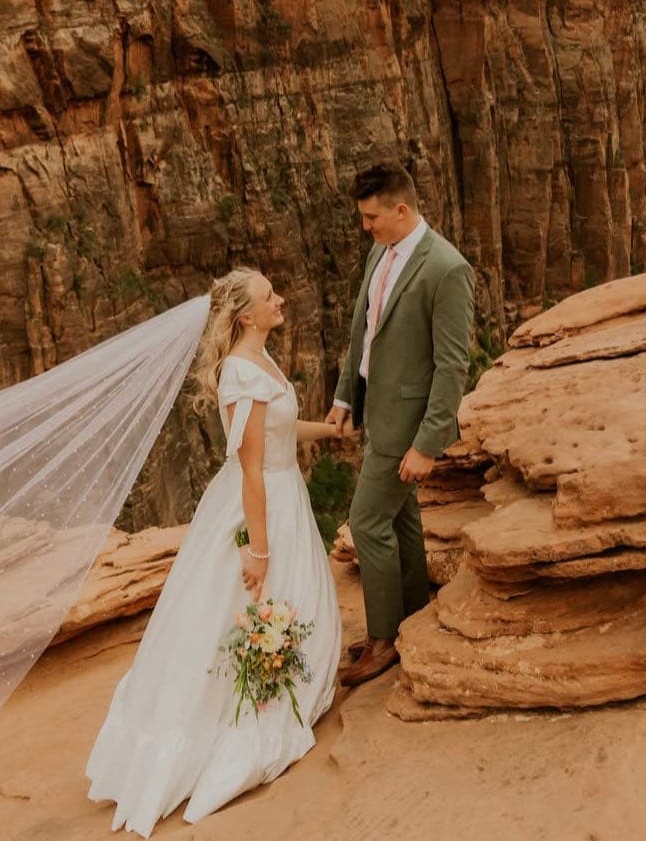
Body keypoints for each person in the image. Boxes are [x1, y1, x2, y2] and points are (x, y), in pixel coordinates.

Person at [86, 268, 342, 837]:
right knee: (245, 606)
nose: (280, 299)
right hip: (260, 504)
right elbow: (252, 466)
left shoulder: (261, 362)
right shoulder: (240, 375)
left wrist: (328, 432)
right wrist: (258, 549)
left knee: (293, 606)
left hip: (282, 494)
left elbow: (277, 432)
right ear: (245, 316)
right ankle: (227, 729)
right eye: (268, 296)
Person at [326, 162, 475, 686]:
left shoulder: (446, 269)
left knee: (366, 523)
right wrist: (346, 395)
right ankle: (413, 615)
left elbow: (453, 364)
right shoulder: (380, 252)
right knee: (401, 519)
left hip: (407, 426)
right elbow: (362, 332)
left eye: (372, 218)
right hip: (377, 412)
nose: (366, 227)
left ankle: (384, 638)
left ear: (401, 210)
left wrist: (428, 444)